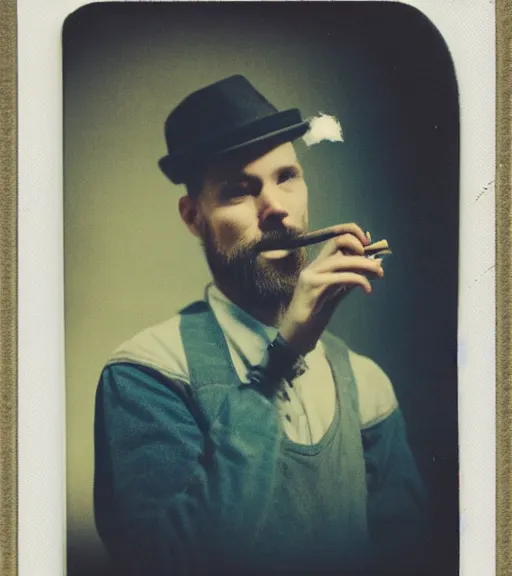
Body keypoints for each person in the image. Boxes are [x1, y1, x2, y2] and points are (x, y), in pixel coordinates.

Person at [93, 75, 428, 576]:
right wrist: (283, 356)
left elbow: (410, 558)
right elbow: (170, 562)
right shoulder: (146, 372)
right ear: (192, 217)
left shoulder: (367, 382)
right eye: (238, 190)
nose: (275, 207)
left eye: (286, 177)